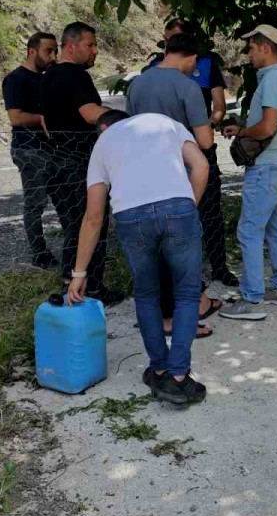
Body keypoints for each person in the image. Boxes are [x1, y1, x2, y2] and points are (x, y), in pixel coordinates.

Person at [67, 109, 209, 405]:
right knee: (186, 293)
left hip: (131, 216)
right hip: (178, 207)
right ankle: (179, 377)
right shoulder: (162, 122)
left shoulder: (103, 144)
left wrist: (79, 273)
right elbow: (201, 165)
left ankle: (158, 368)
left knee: (146, 294)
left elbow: (94, 217)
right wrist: (187, 207)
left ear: (105, 127)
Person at [128, 32, 222, 338]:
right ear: (192, 59)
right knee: (181, 247)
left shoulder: (137, 84)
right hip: (178, 178)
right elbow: (205, 140)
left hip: (143, 176)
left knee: (153, 248)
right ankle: (179, 315)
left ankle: (171, 310)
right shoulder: (188, 87)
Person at [143, 18, 238, 286]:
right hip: (165, 156)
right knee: (175, 214)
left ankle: (218, 266)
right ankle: (183, 275)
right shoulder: (150, 70)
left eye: (174, 37)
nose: (168, 42)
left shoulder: (205, 65)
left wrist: (205, 127)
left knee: (210, 212)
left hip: (199, 149)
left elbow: (218, 106)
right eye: (166, 37)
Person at [39, 21, 124, 306]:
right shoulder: (75, 76)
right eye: (90, 45)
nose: (95, 51)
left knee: (72, 227)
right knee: (92, 225)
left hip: (54, 162)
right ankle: (94, 287)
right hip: (80, 163)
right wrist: (125, 120)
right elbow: (90, 114)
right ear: (71, 45)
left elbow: (44, 120)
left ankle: (69, 282)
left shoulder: (48, 75)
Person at [218, 24, 277, 320]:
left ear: (265, 47)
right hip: (276, 164)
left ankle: (251, 301)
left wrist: (241, 131)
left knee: (249, 230)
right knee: (274, 227)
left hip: (266, 168)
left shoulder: (272, 81)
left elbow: (266, 127)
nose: (248, 54)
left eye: (251, 48)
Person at [2, 32, 59, 269]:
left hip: (53, 148)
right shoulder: (16, 79)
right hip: (29, 149)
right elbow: (16, 117)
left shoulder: (48, 78)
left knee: (65, 199)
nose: (53, 56)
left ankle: (75, 246)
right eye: (48, 51)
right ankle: (39, 252)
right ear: (32, 51)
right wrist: (43, 118)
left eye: (56, 51)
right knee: (35, 203)